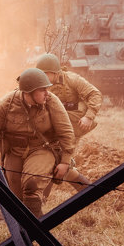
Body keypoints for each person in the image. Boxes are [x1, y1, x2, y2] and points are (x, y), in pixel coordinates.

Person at [0, 67, 77, 217]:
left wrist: (65, 161)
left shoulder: (51, 102)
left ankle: (38, 229)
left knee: (31, 184)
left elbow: (67, 133)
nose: (47, 93)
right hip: (15, 151)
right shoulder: (6, 103)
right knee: (16, 198)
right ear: (29, 92)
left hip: (42, 149)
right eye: (42, 90)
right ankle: (23, 233)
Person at [36, 52, 102, 188]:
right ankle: (88, 190)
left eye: (46, 73)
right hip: (50, 127)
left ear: (55, 72)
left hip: (71, 126)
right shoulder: (40, 83)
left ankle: (41, 200)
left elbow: (94, 94)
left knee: (57, 161)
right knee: (55, 161)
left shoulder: (73, 79)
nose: (43, 77)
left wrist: (88, 117)